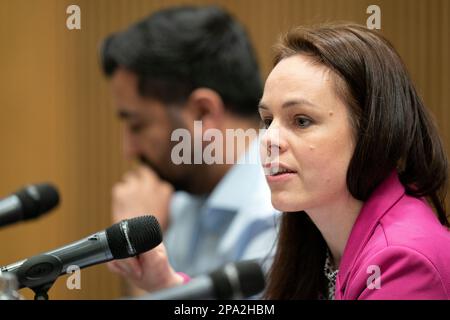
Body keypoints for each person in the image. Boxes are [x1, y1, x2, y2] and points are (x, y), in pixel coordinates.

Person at [259, 23, 450, 299]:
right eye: (267, 121)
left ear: (371, 131)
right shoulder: (313, 235)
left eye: (301, 121)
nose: (268, 140)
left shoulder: (402, 261)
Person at [99, 6, 278, 292]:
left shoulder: (276, 216)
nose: (128, 150)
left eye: (137, 125)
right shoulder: (181, 201)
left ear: (203, 114)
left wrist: (138, 248)